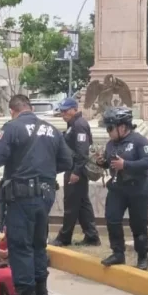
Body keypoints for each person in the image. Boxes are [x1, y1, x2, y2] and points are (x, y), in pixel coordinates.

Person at [0, 94, 73, 295]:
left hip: (21, 196)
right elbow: (67, 161)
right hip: (45, 196)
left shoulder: (12, 128)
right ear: (31, 108)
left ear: (12, 110)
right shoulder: (51, 129)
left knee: (20, 246)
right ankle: (42, 294)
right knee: (37, 244)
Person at [95, 106, 148, 271]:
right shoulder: (111, 144)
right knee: (112, 219)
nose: (108, 132)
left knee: (138, 224)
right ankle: (117, 253)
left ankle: (142, 255)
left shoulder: (139, 141)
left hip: (139, 189)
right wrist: (102, 162)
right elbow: (110, 163)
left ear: (122, 127)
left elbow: (147, 162)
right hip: (117, 188)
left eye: (110, 128)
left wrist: (125, 164)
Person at [50, 97, 100, 247]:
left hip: (76, 169)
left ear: (74, 109)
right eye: (62, 110)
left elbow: (82, 151)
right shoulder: (73, 125)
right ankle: (92, 236)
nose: (63, 113)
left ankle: (64, 237)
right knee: (82, 203)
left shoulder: (79, 125)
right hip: (73, 168)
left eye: (66, 110)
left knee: (71, 204)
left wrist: (76, 171)